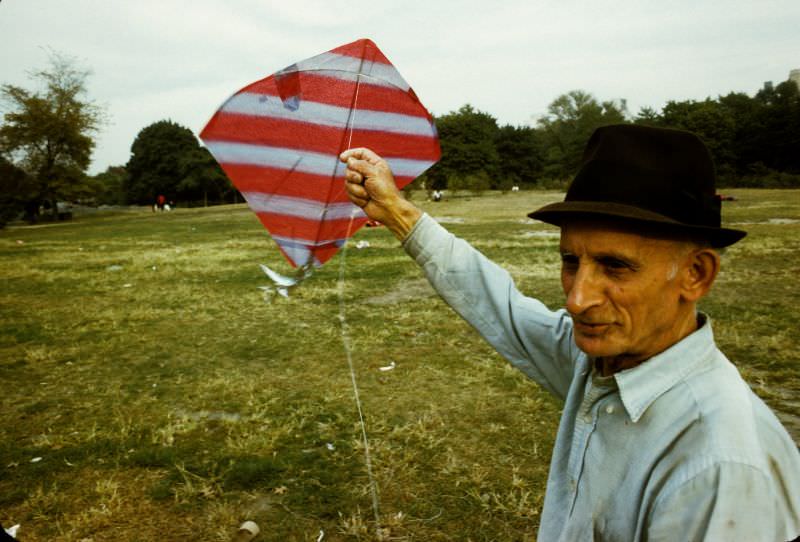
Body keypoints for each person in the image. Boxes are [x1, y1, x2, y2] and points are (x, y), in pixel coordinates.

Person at [339, 124, 800, 542]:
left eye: (615, 266)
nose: (578, 300)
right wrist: (397, 212)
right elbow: (503, 309)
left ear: (696, 274)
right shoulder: (601, 362)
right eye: (571, 261)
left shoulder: (720, 466)